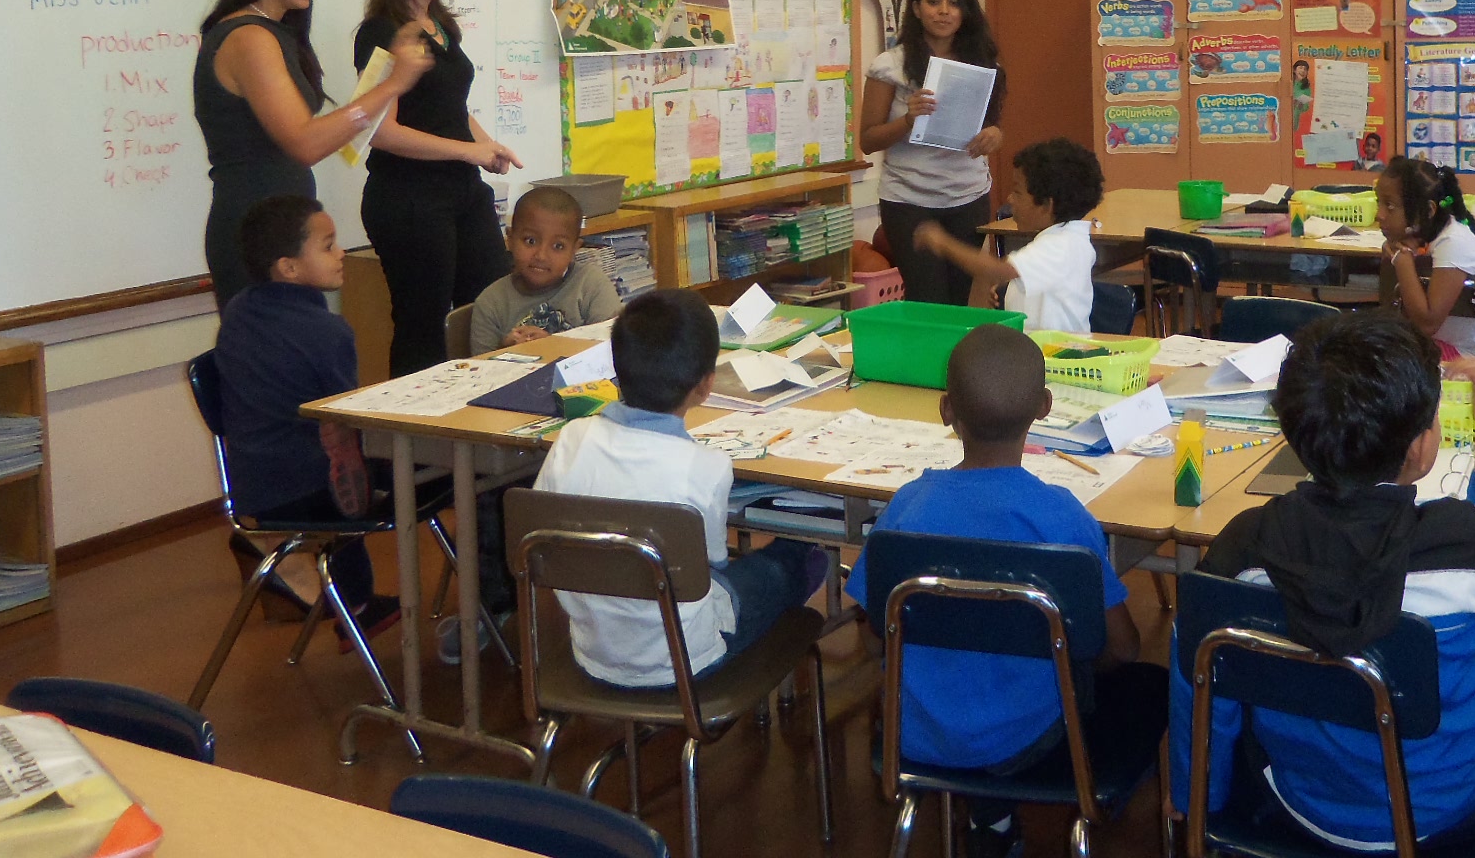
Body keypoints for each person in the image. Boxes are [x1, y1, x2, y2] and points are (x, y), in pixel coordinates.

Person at [1174, 314, 1475, 850]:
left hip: (1305, 804)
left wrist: (1196, 806)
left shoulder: (1241, 550)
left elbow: (1198, 685)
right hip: (1447, 811)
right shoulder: (1466, 544)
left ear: (1293, 433)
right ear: (1419, 449)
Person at [843, 326, 1161, 858]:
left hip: (918, 733)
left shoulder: (906, 509)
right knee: (1146, 682)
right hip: (1035, 739)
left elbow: (877, 635)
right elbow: (1120, 648)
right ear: (1045, 406)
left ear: (946, 410)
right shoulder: (1062, 516)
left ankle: (990, 818)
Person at [531, 290, 827, 686]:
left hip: (593, 650)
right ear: (706, 386)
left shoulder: (571, 439)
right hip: (687, 658)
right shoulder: (706, 467)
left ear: (616, 373)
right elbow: (710, 568)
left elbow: (540, 540)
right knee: (789, 561)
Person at [194, 0, 432, 308]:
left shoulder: (274, 32)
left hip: (285, 229)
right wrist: (392, 84)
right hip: (258, 235)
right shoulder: (248, 38)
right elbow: (304, 143)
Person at [213, 195, 398, 641]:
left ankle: (340, 592)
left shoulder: (239, 311)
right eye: (328, 246)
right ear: (289, 268)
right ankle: (357, 603)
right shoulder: (327, 332)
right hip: (308, 486)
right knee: (427, 466)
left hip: (254, 483)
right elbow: (346, 420)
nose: (341, 255)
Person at [355, 0, 522, 378]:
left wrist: (486, 144)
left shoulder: (441, 26)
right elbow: (381, 131)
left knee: (489, 308)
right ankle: (417, 446)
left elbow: (450, 104)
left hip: (461, 192)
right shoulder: (381, 33)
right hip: (409, 198)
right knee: (423, 326)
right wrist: (467, 151)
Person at [858, 0, 1005, 306]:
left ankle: (954, 362)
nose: (943, 11)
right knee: (927, 298)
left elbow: (991, 126)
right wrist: (907, 120)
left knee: (959, 299)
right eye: (933, 1)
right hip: (908, 200)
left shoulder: (984, 62)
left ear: (965, 10)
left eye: (954, 3)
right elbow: (868, 140)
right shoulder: (890, 65)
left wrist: (995, 135)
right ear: (916, 9)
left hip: (968, 196)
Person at [912, 138, 1103, 331]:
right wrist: (1009, 291)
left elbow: (996, 270)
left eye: (1018, 192)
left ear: (1046, 205)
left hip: (1056, 355)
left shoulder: (1060, 244)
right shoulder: (1064, 239)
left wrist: (943, 243)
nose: (1010, 199)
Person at [466, 187, 621, 357]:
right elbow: (478, 372)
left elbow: (614, 355)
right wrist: (504, 351)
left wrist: (552, 347)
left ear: (574, 250)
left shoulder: (592, 286)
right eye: (530, 241)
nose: (541, 255)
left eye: (558, 246)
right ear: (510, 239)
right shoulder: (490, 303)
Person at [1377, 156, 1475, 360]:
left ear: (1429, 210)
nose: (1380, 215)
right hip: (1438, 349)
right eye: (1379, 203)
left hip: (1473, 357)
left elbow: (1427, 324)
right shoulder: (1416, 241)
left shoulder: (1454, 242)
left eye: (1390, 206)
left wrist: (1403, 264)